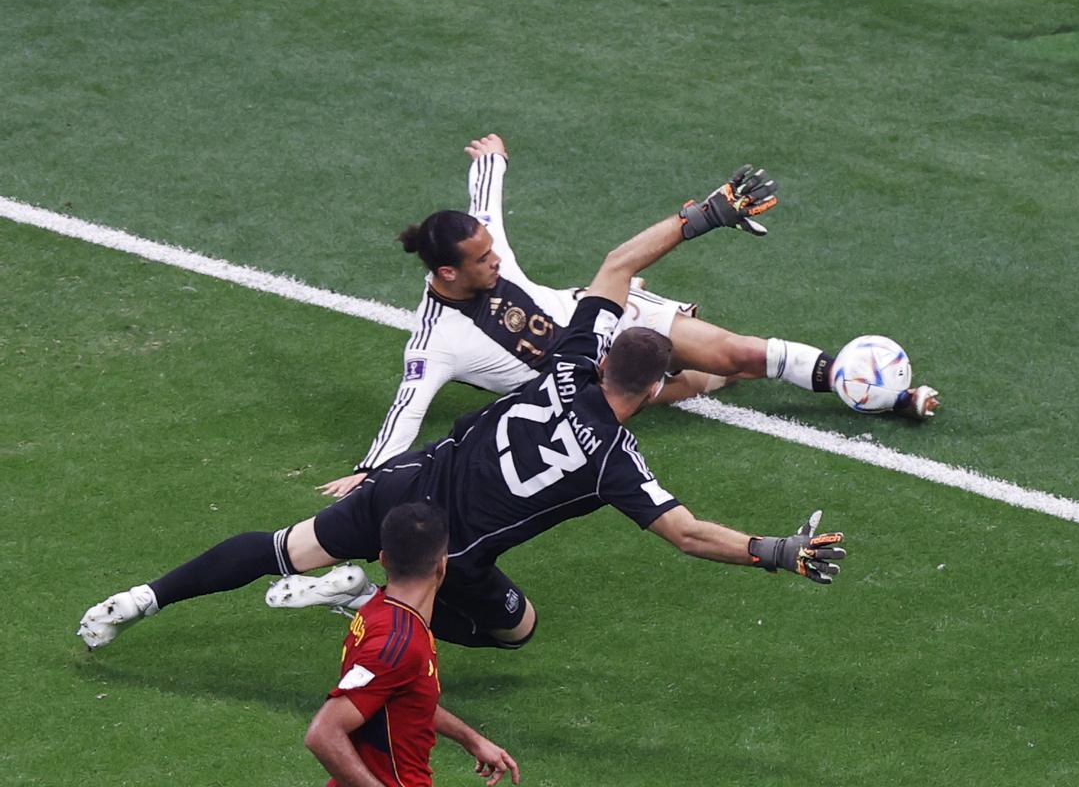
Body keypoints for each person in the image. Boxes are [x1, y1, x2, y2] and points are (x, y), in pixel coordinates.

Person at [78, 164, 847, 655]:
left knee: (280, 545)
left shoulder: (569, 362)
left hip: (403, 487)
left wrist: (706, 213)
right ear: (652, 391)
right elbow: (688, 534)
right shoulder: (614, 463)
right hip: (450, 546)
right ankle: (366, 594)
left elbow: (618, 264)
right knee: (516, 629)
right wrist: (774, 550)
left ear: (607, 357)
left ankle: (144, 597)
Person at [318, 134, 939, 499]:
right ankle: (714, 370)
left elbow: (486, 196)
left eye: (490, 250)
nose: (495, 260)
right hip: (592, 388)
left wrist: (493, 155)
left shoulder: (481, 243)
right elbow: (408, 408)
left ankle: (886, 395)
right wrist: (368, 473)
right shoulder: (435, 343)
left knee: (740, 353)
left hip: (607, 313)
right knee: (714, 378)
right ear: (447, 273)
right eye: (481, 260)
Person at [305, 502, 518, 787]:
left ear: (383, 559)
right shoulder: (399, 644)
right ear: (442, 564)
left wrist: (471, 739)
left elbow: (402, 695)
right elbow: (323, 734)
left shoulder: (382, 611)